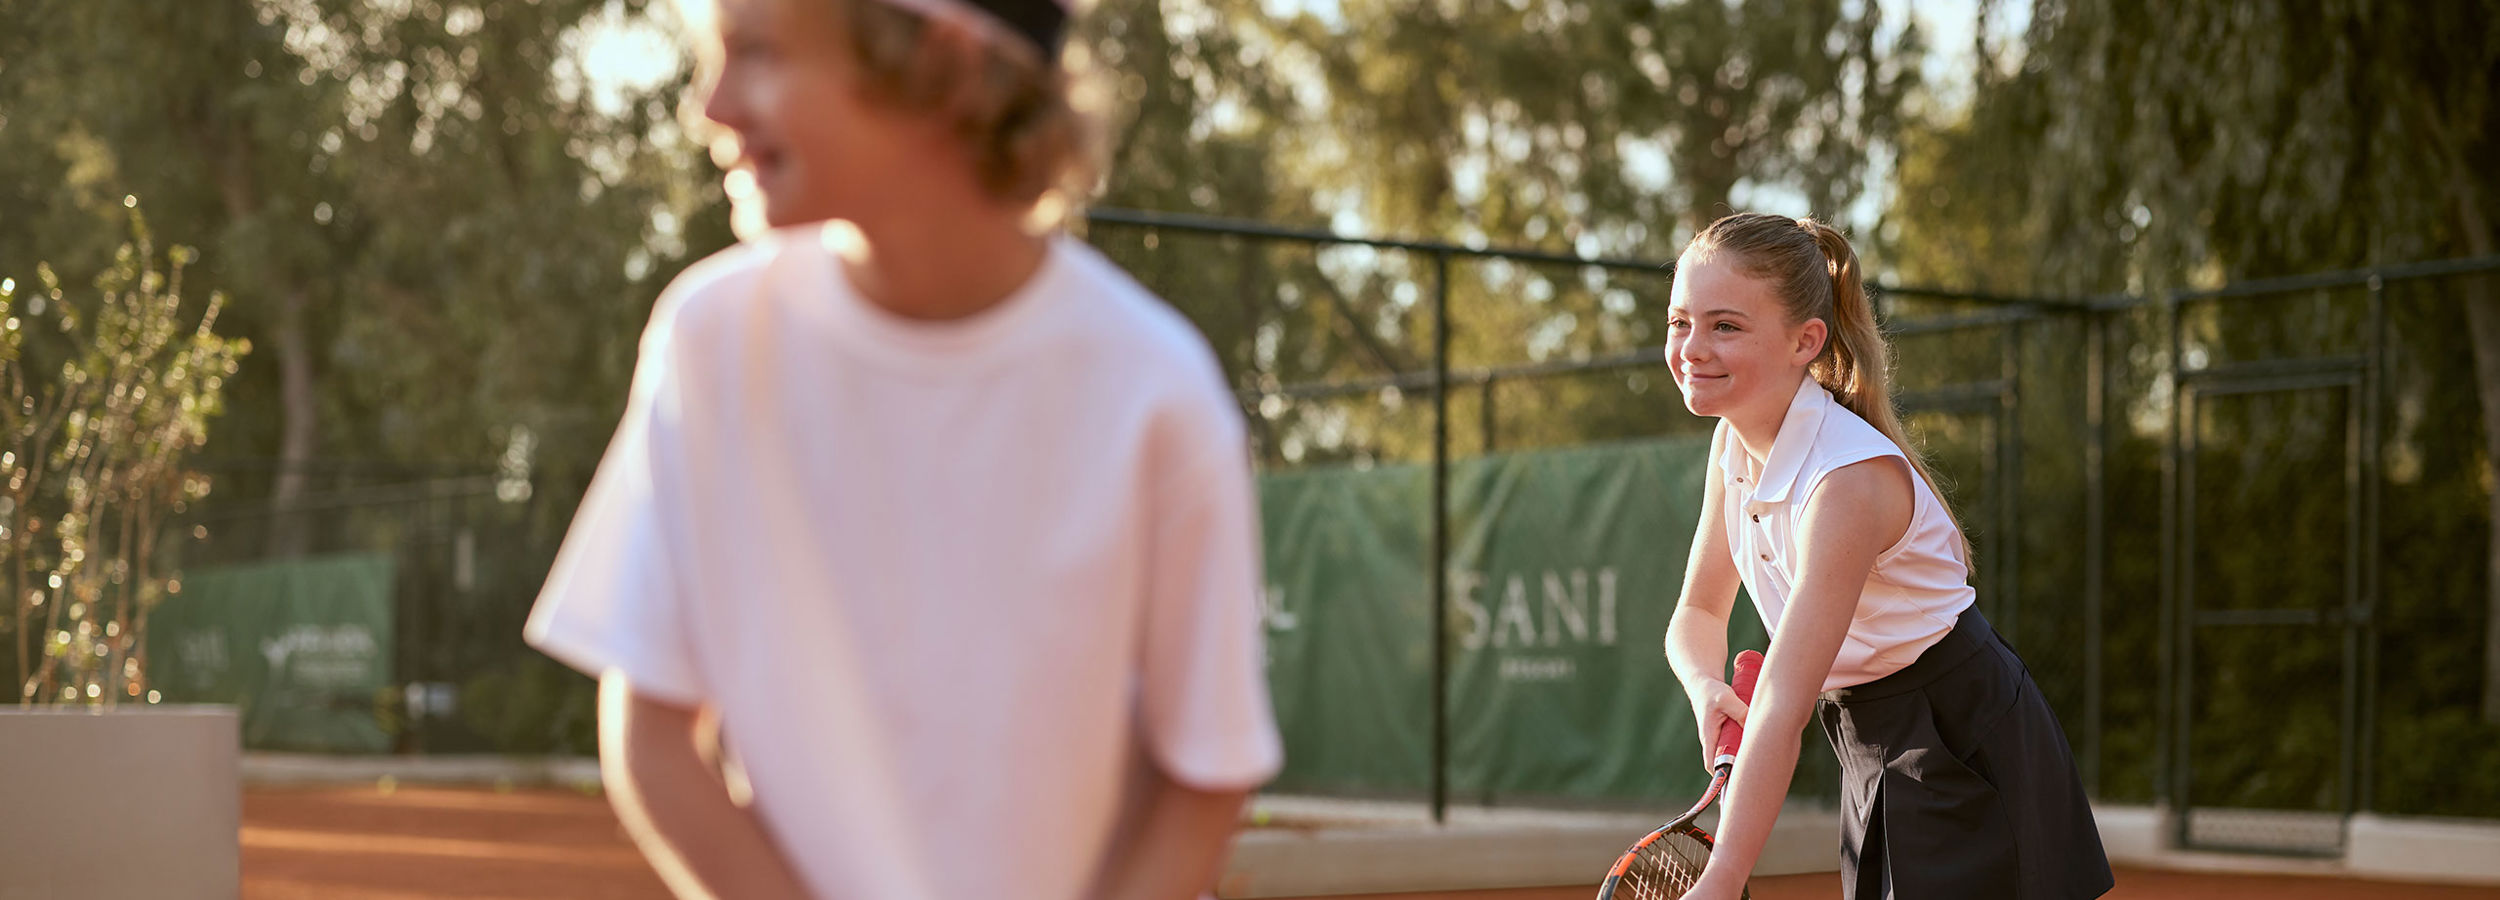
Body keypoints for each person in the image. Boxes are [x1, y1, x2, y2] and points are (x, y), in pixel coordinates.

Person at [522, 0, 1283, 897]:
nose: (712, 105)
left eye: (758, 52)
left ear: (944, 65)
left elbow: (1205, 774)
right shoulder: (711, 339)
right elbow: (652, 736)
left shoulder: (1159, 391)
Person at [1658, 213, 2113, 899]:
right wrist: (1703, 688)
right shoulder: (1732, 447)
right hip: (1866, 737)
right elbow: (1697, 608)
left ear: (1804, 342)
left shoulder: (1846, 482)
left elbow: (1782, 707)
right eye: (1679, 322)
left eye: (1725, 326)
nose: (1693, 347)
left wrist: (1723, 875)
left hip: (1959, 734)